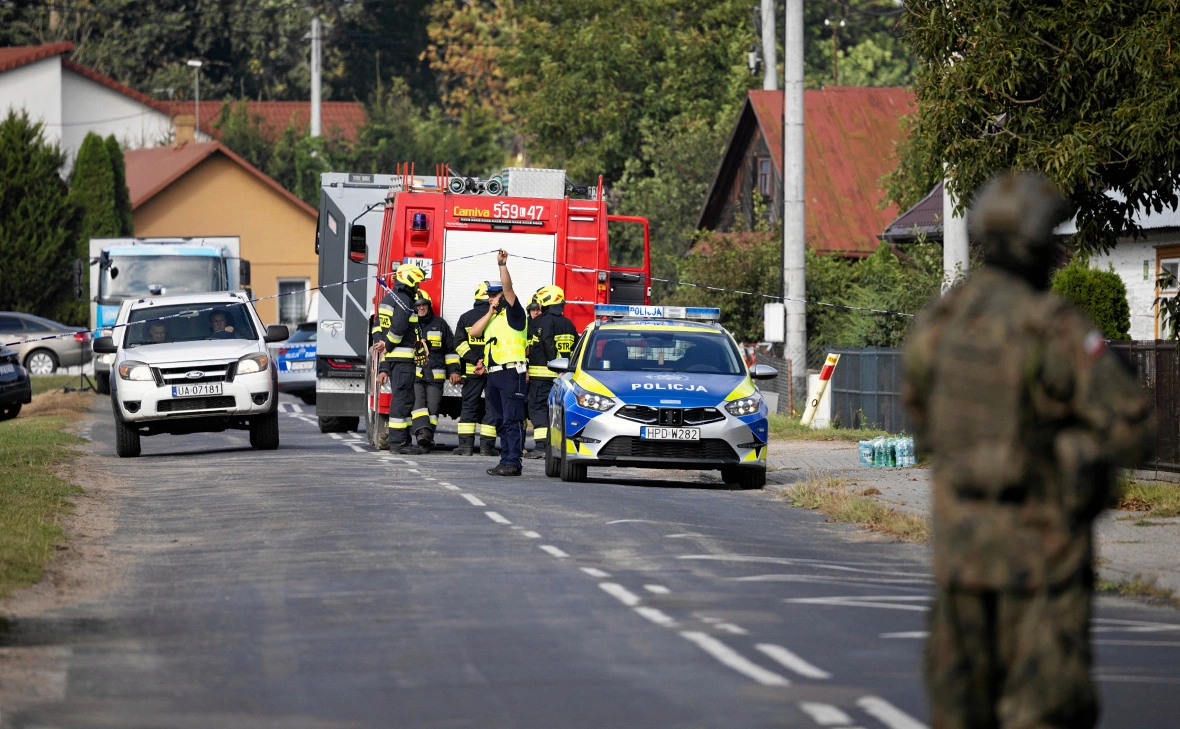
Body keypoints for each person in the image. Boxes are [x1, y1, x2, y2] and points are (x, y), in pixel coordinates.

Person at [902, 172, 1155, 729]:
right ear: (1037, 243)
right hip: (1043, 562)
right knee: (1043, 711)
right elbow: (1135, 431)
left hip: (961, 558)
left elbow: (924, 429)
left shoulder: (938, 327)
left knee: (959, 712)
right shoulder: (1054, 329)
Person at [467, 249, 528, 476]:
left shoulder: (516, 314)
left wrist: (502, 265)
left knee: (512, 418)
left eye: (494, 296)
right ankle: (505, 459)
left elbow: (509, 289)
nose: (490, 299)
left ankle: (514, 461)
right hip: (494, 375)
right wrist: (490, 312)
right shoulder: (493, 318)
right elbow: (474, 332)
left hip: (512, 373)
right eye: (489, 297)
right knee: (500, 419)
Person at [375, 263, 425, 454]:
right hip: (403, 359)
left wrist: (384, 346)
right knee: (402, 399)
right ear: (409, 279)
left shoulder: (388, 299)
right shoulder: (404, 299)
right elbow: (399, 327)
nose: (418, 287)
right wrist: (388, 344)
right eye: (417, 283)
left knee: (405, 398)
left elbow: (378, 328)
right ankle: (398, 442)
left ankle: (404, 439)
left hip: (395, 360)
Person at [524, 284, 578, 458]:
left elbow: (547, 342)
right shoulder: (568, 323)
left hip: (542, 376)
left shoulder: (545, 321)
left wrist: (550, 361)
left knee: (537, 409)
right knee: (554, 411)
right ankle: (551, 445)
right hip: (562, 377)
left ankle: (541, 446)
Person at [410, 290, 461, 452]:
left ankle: (426, 437)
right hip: (415, 375)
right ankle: (422, 434)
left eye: (424, 304)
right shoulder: (409, 324)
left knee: (433, 409)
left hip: (435, 375)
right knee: (418, 405)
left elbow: (451, 350)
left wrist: (454, 371)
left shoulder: (440, 324)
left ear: (429, 305)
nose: (421, 308)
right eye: (418, 305)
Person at [453, 281, 499, 456]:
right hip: (493, 369)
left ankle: (465, 447)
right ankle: (487, 447)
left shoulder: (466, 317)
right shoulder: (497, 316)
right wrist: (485, 361)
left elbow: (458, 344)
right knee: (492, 406)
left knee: (469, 405)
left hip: (472, 370)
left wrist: (474, 359)